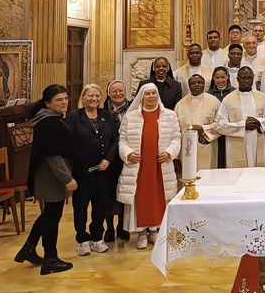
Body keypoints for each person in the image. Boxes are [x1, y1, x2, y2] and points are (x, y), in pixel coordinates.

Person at [15, 85, 76, 275]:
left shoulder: (50, 118)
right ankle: (50, 259)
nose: (64, 102)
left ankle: (29, 248)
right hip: (51, 176)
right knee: (52, 218)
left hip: (49, 175)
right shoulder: (49, 123)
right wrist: (67, 179)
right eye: (59, 100)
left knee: (49, 214)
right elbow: (53, 156)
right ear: (48, 103)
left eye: (65, 98)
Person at [117, 83, 181, 250]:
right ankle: (141, 233)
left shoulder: (170, 115)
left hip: (160, 165)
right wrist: (128, 153)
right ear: (141, 97)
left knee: (158, 196)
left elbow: (176, 138)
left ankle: (154, 230)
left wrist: (169, 152)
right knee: (141, 197)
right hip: (139, 166)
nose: (151, 96)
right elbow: (122, 140)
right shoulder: (130, 117)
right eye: (147, 94)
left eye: (154, 93)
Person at [66, 84, 119, 256]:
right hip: (82, 171)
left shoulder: (106, 116)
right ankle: (82, 238)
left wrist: (108, 159)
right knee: (81, 207)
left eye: (97, 96)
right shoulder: (74, 117)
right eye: (90, 96)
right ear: (83, 97)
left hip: (103, 170)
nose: (94, 99)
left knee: (101, 206)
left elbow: (115, 139)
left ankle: (97, 237)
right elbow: (69, 143)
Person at [216, 67, 265, 167]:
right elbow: (220, 125)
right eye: (243, 78)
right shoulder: (228, 99)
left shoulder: (262, 97)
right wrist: (243, 125)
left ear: (253, 78)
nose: (247, 80)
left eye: (249, 78)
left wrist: (259, 122)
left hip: (257, 139)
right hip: (237, 143)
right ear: (237, 79)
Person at [102, 80, 130, 243]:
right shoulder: (102, 110)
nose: (118, 94)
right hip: (107, 157)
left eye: (121, 91)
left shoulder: (134, 108)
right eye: (114, 91)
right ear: (109, 93)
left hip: (126, 157)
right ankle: (109, 227)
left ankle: (122, 226)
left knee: (123, 192)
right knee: (107, 194)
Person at [175, 74, 221, 170]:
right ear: (189, 86)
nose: (196, 85)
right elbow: (175, 131)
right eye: (193, 83)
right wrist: (176, 158)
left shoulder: (214, 101)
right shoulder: (180, 104)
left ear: (204, 85)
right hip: (186, 149)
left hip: (207, 148)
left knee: (207, 177)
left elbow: (220, 124)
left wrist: (203, 129)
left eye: (199, 82)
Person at [207, 66, 235, 169]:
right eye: (217, 78)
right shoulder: (208, 95)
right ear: (213, 78)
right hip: (215, 134)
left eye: (223, 77)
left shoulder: (234, 93)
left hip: (230, 132)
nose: (220, 80)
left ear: (227, 77)